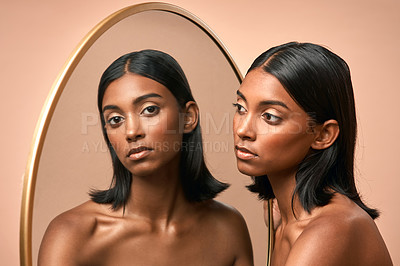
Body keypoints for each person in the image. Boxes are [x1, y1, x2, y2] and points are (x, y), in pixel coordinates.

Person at [38, 49, 253, 266]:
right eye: (115, 120)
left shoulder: (228, 229)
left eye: (149, 110)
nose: (131, 132)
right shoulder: (72, 235)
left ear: (188, 117)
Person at [232, 42, 393, 265]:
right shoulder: (280, 215)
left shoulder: (330, 230)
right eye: (241, 107)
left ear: (323, 135)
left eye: (269, 116)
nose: (242, 130)